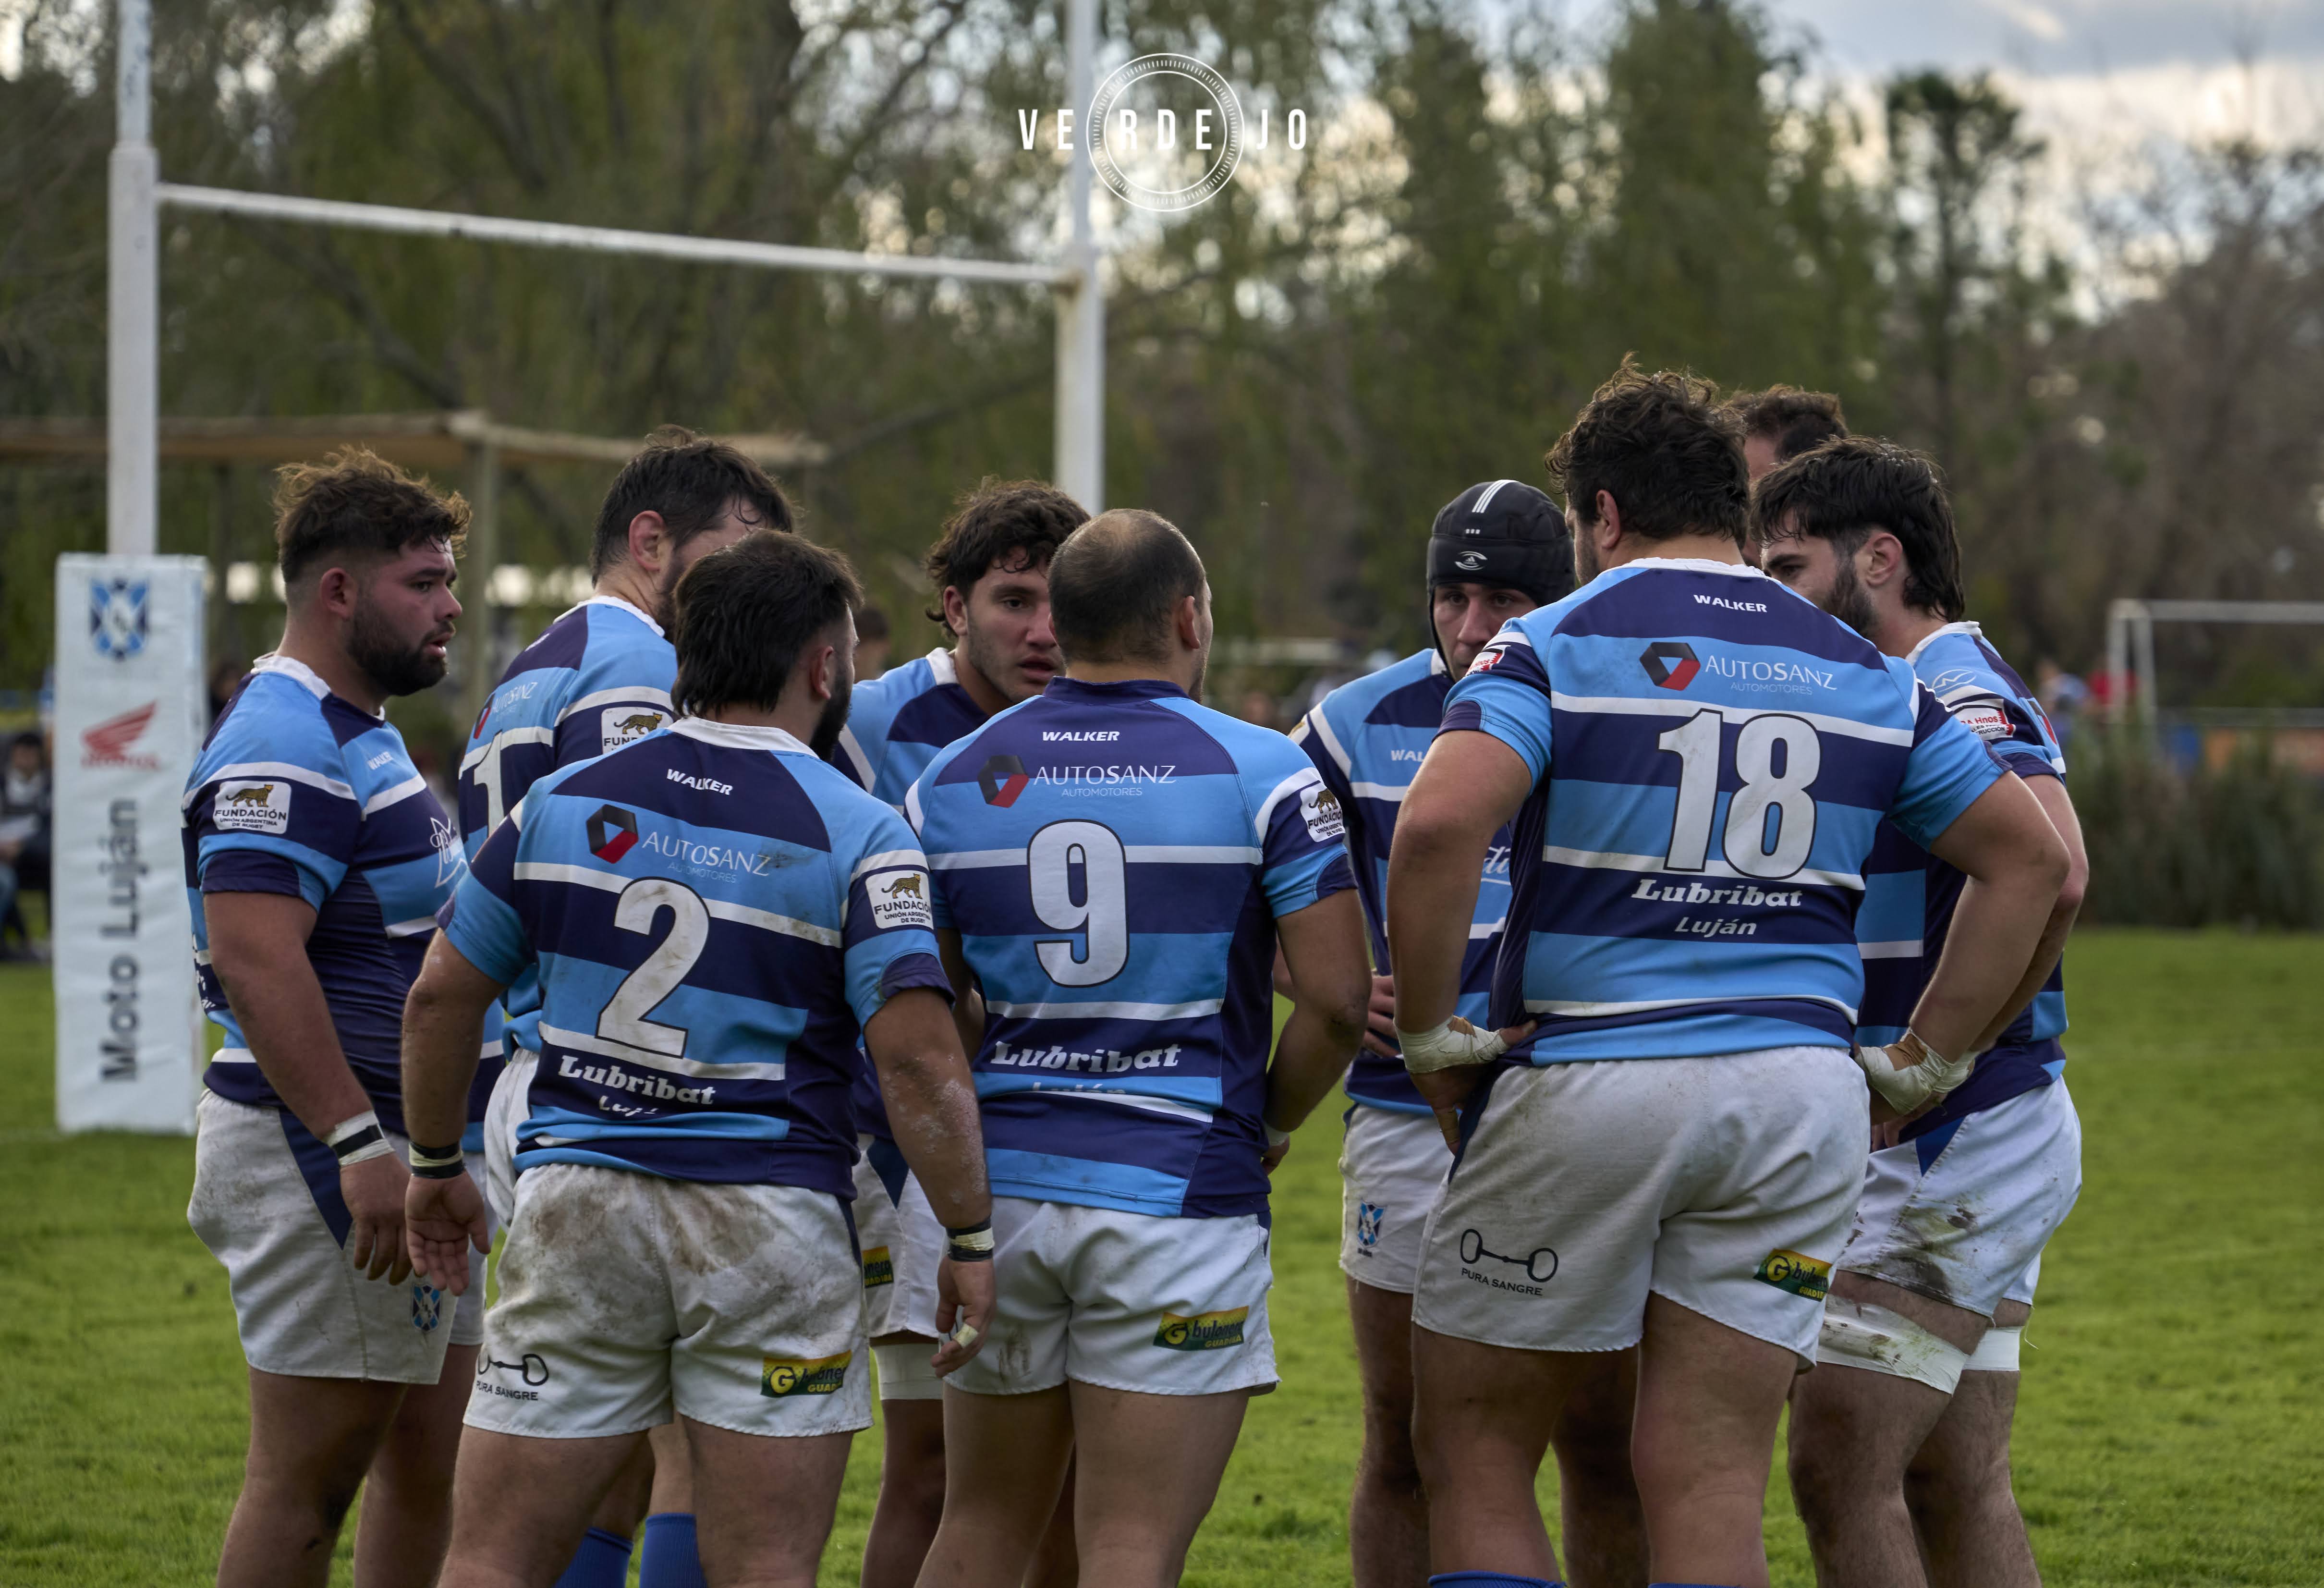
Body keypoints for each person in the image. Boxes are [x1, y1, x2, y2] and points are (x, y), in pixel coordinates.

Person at [1385, 362, 2071, 1588]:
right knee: (1708, 1476)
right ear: (1736, 517)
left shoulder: (1552, 641)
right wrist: (1925, 1063)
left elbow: (1436, 830)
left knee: (1478, 1447)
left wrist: (1432, 1038)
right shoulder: (1868, 672)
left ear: (1600, 515)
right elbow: (2029, 863)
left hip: (1592, 1074)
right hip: (1795, 1102)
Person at [399, 530, 997, 1587]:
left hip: (578, 1202)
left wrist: (437, 1165)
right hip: (768, 1221)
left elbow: (442, 995)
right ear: (824, 665)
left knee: (491, 1557)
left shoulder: (565, 800)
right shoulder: (859, 833)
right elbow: (913, 1061)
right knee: (763, 1568)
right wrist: (967, 1231)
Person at [909, 510, 1371, 1588]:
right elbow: (1341, 1004)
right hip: (1177, 1201)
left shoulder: (948, 782)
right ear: (1186, 615)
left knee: (979, 1530)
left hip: (1006, 1201)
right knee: (1127, 1548)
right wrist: (1266, 1119)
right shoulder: (1265, 773)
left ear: (1062, 623)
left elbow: (933, 1006)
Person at [1290, 480, 1647, 1588]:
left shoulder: (1615, 708)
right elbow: (1250, 894)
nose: (1471, 623)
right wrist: (1330, 983)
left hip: (1585, 1115)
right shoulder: (1348, 726)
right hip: (1402, 1115)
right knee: (1400, 1442)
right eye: (1451, 594)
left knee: (1604, 1446)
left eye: (1501, 596)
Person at [454, 424, 787, 1588]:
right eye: (736, 550)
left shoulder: (532, 664)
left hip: (523, 1067)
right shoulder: (641, 666)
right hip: (610, 1075)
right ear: (651, 541)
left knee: (609, 1446)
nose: (751, 588)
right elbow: (646, 869)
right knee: (691, 1434)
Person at [1756, 440, 2086, 1588]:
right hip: (1986, 1126)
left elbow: (2055, 868)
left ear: (1878, 559)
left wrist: (1928, 1058)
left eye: (1790, 567)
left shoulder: (1950, 688)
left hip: (1956, 1142)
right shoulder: (1932, 682)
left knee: (1837, 1463)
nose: (1774, 595)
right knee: (1952, 1476)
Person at [181, 449, 476, 1587]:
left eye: (450, 579)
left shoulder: (358, 723)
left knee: (427, 1454)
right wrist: (359, 1145)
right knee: (306, 1480)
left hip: (406, 1149)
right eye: (424, 581)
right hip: (328, 1148)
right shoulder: (283, 738)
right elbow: (258, 962)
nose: (450, 605)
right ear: (337, 592)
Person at [825, 477, 1083, 1588]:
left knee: (1067, 1462)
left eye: (1061, 601)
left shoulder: (1102, 717)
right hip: (913, 1136)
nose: (1042, 630)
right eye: (1015, 599)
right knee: (932, 1462)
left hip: (1071, 1127)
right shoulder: (873, 722)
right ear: (951, 603)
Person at [0, 731, 51, 957]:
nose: (26, 759)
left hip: (36, 859)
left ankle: (51, 938)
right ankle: (21, 941)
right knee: (5, 881)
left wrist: (23, 847)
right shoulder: (4, 783)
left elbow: (52, 830)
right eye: (22, 753)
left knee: (58, 871)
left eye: (32, 754)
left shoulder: (49, 787)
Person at [856, 604, 894, 681]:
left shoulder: (899, 690)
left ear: (884, 646)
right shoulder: (830, 689)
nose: (854, 653)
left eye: (861, 644)